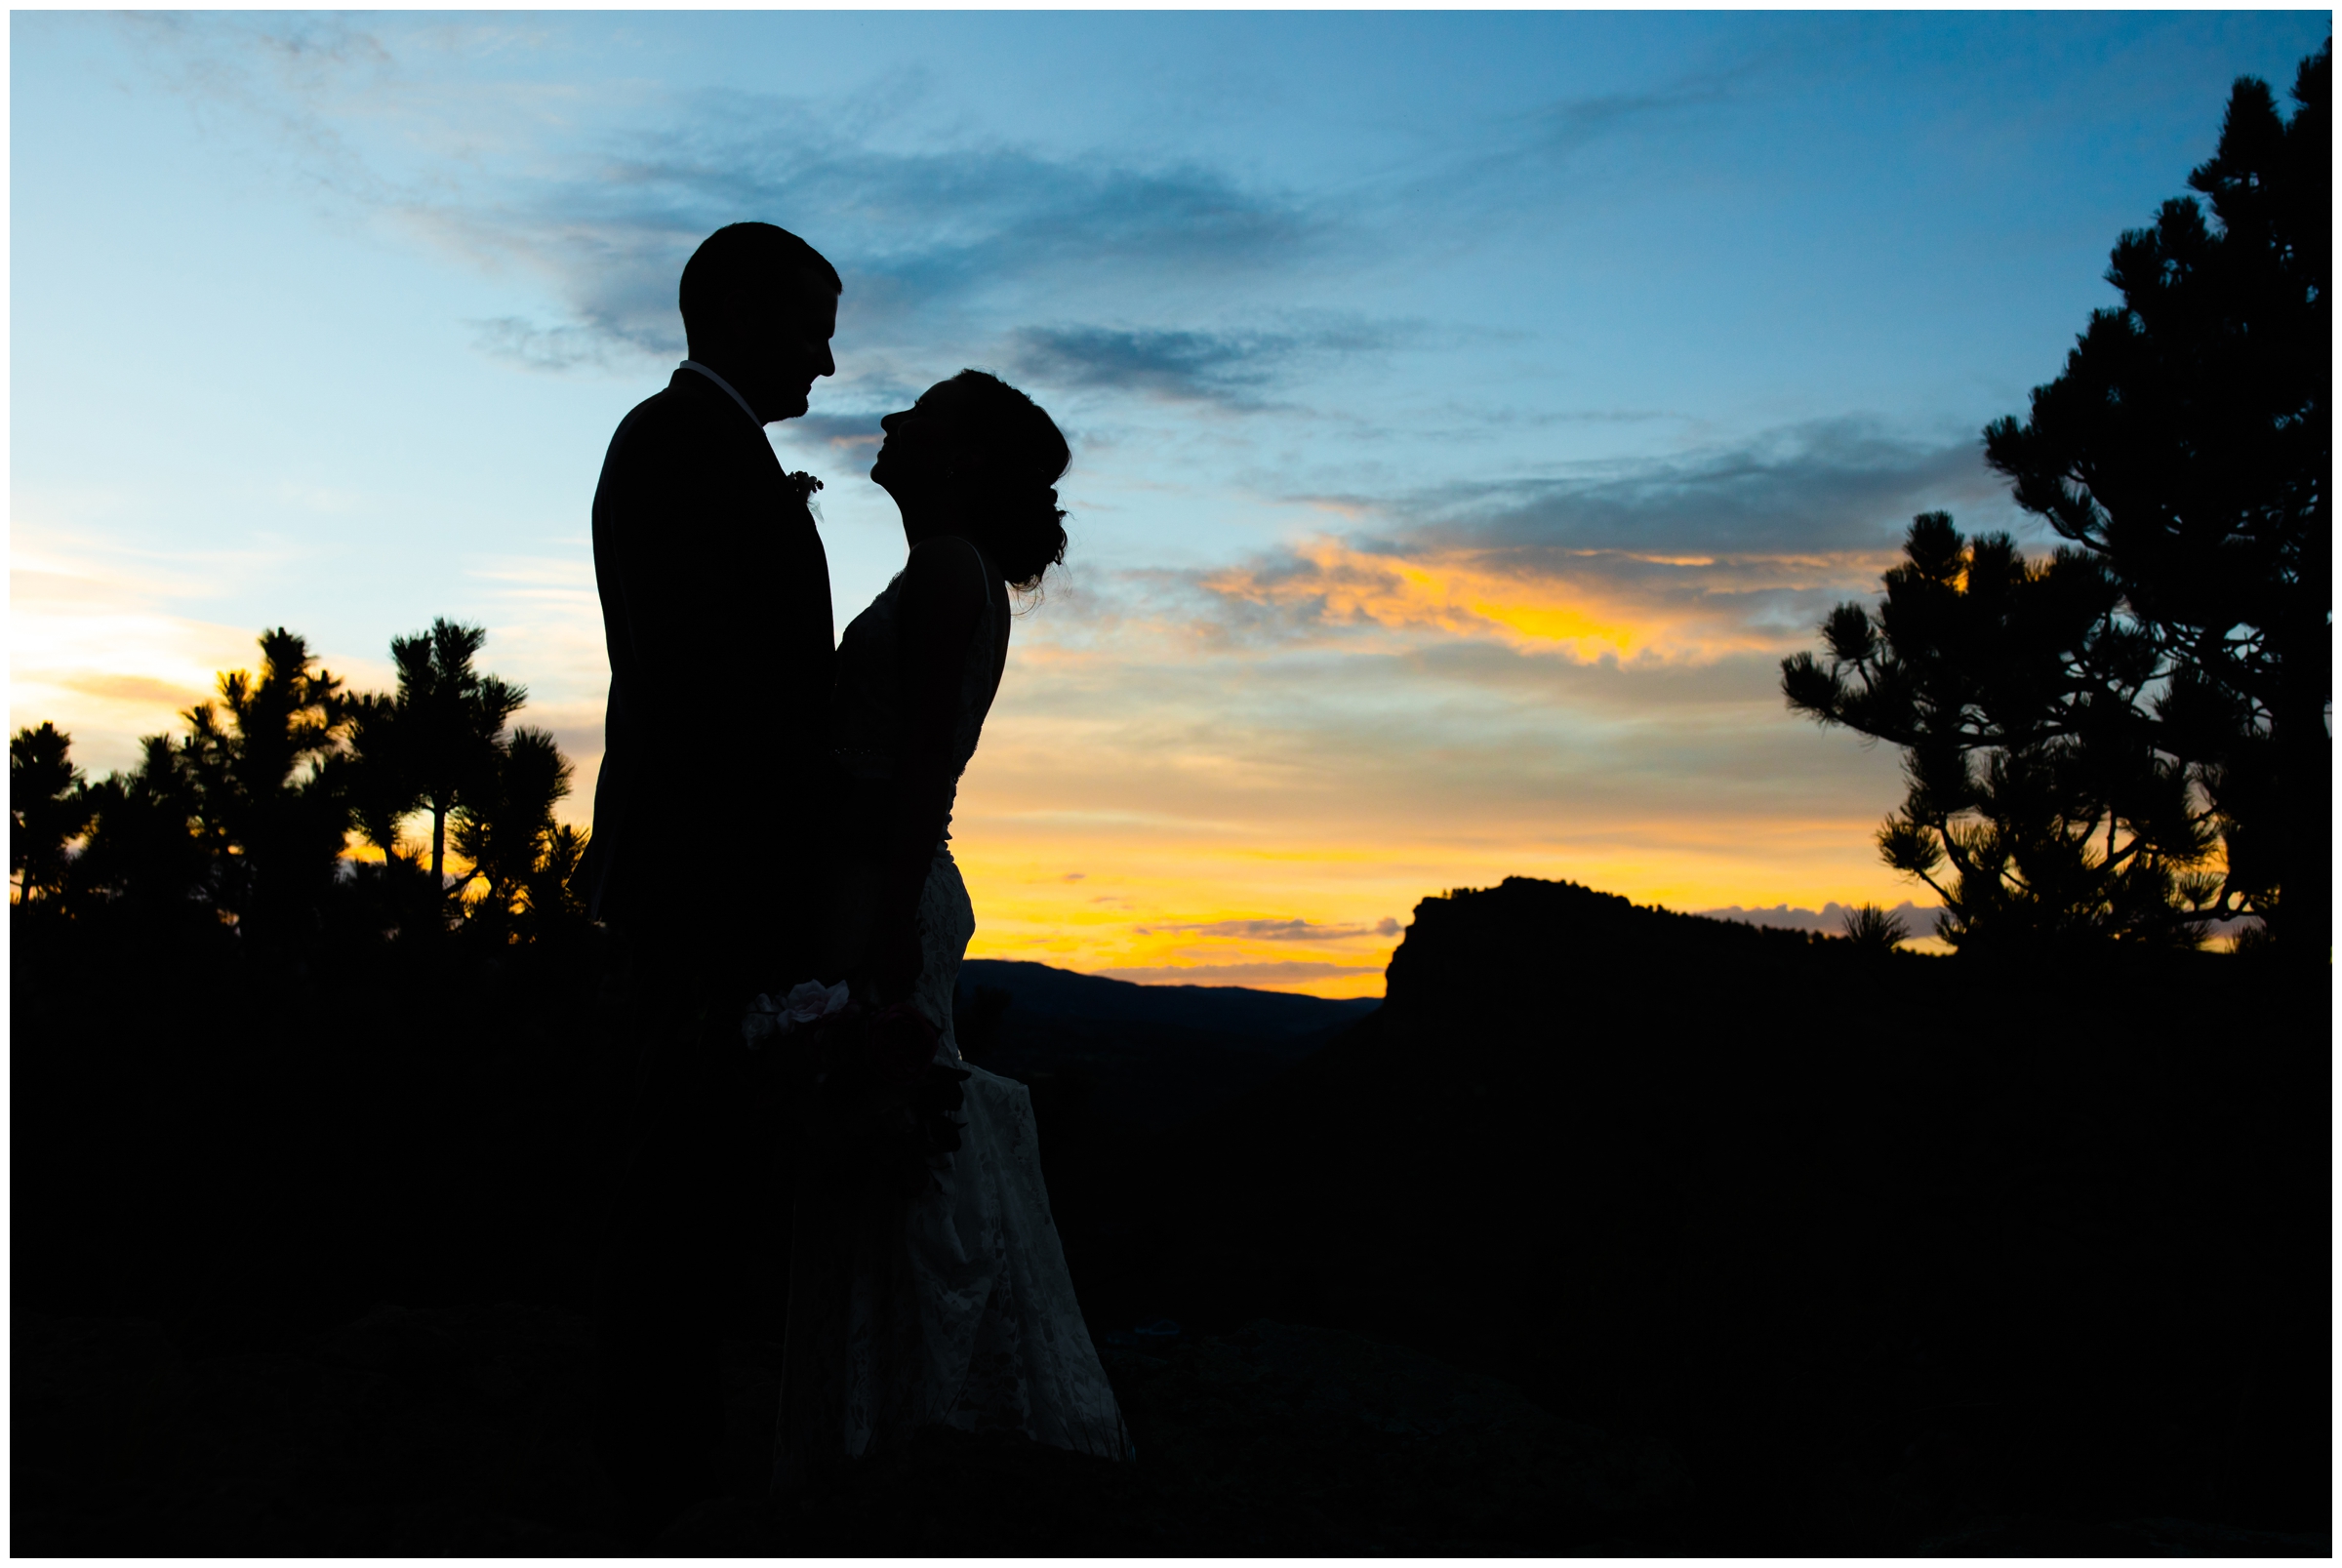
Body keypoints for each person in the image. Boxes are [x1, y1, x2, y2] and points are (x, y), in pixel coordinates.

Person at [770, 370, 1128, 1491]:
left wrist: (873, 927)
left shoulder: (945, 575)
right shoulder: (950, 572)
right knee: (886, 1148)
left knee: (891, 1153)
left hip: (885, 885)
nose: (888, 423)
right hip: (890, 878)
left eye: (917, 416)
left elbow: (920, 766)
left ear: (961, 460)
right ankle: (889, 1412)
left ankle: (902, 1425)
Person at [586, 221, 840, 1537]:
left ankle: (669, 1436)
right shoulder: (680, 445)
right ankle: (654, 1463)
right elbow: (707, 686)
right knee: (675, 1168)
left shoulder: (709, 448)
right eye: (813, 327)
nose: (833, 362)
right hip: (704, 868)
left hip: (712, 862)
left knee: (693, 1166)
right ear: (738, 314)